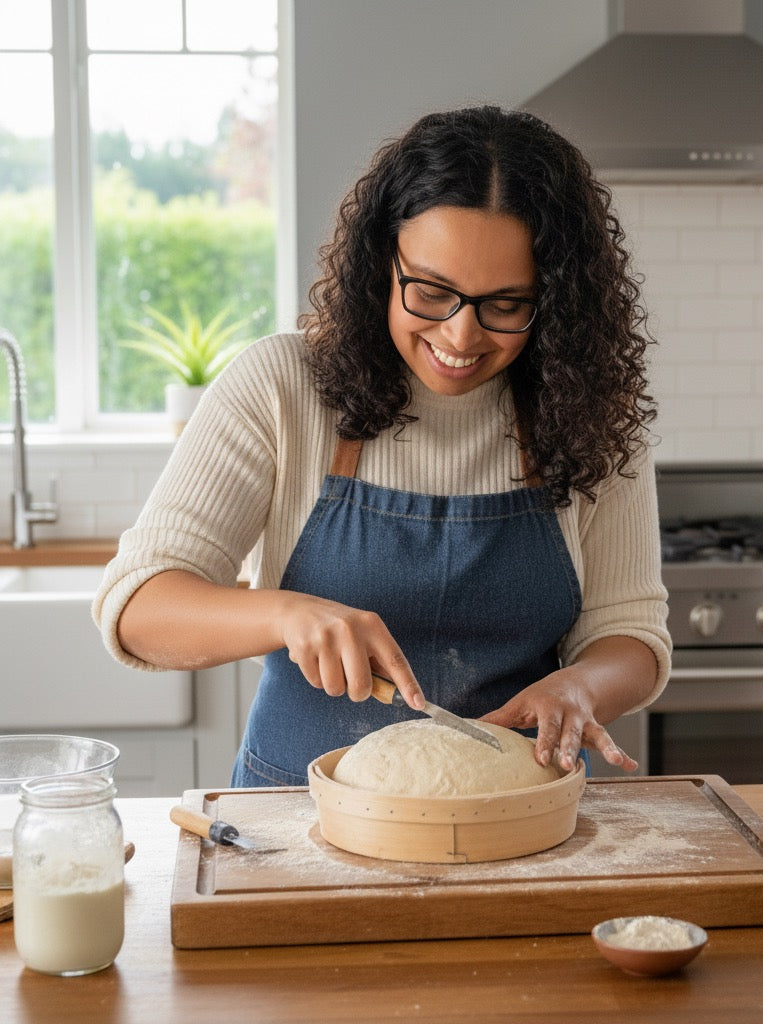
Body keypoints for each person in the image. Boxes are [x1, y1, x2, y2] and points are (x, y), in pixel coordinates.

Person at [93, 105, 671, 787]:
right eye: (430, 292)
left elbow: (631, 634)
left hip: (518, 821)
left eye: (506, 304)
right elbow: (137, 611)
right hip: (293, 823)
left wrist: (582, 687)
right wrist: (286, 614)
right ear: (381, 265)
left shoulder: (590, 410)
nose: (461, 337)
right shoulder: (283, 386)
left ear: (557, 298)